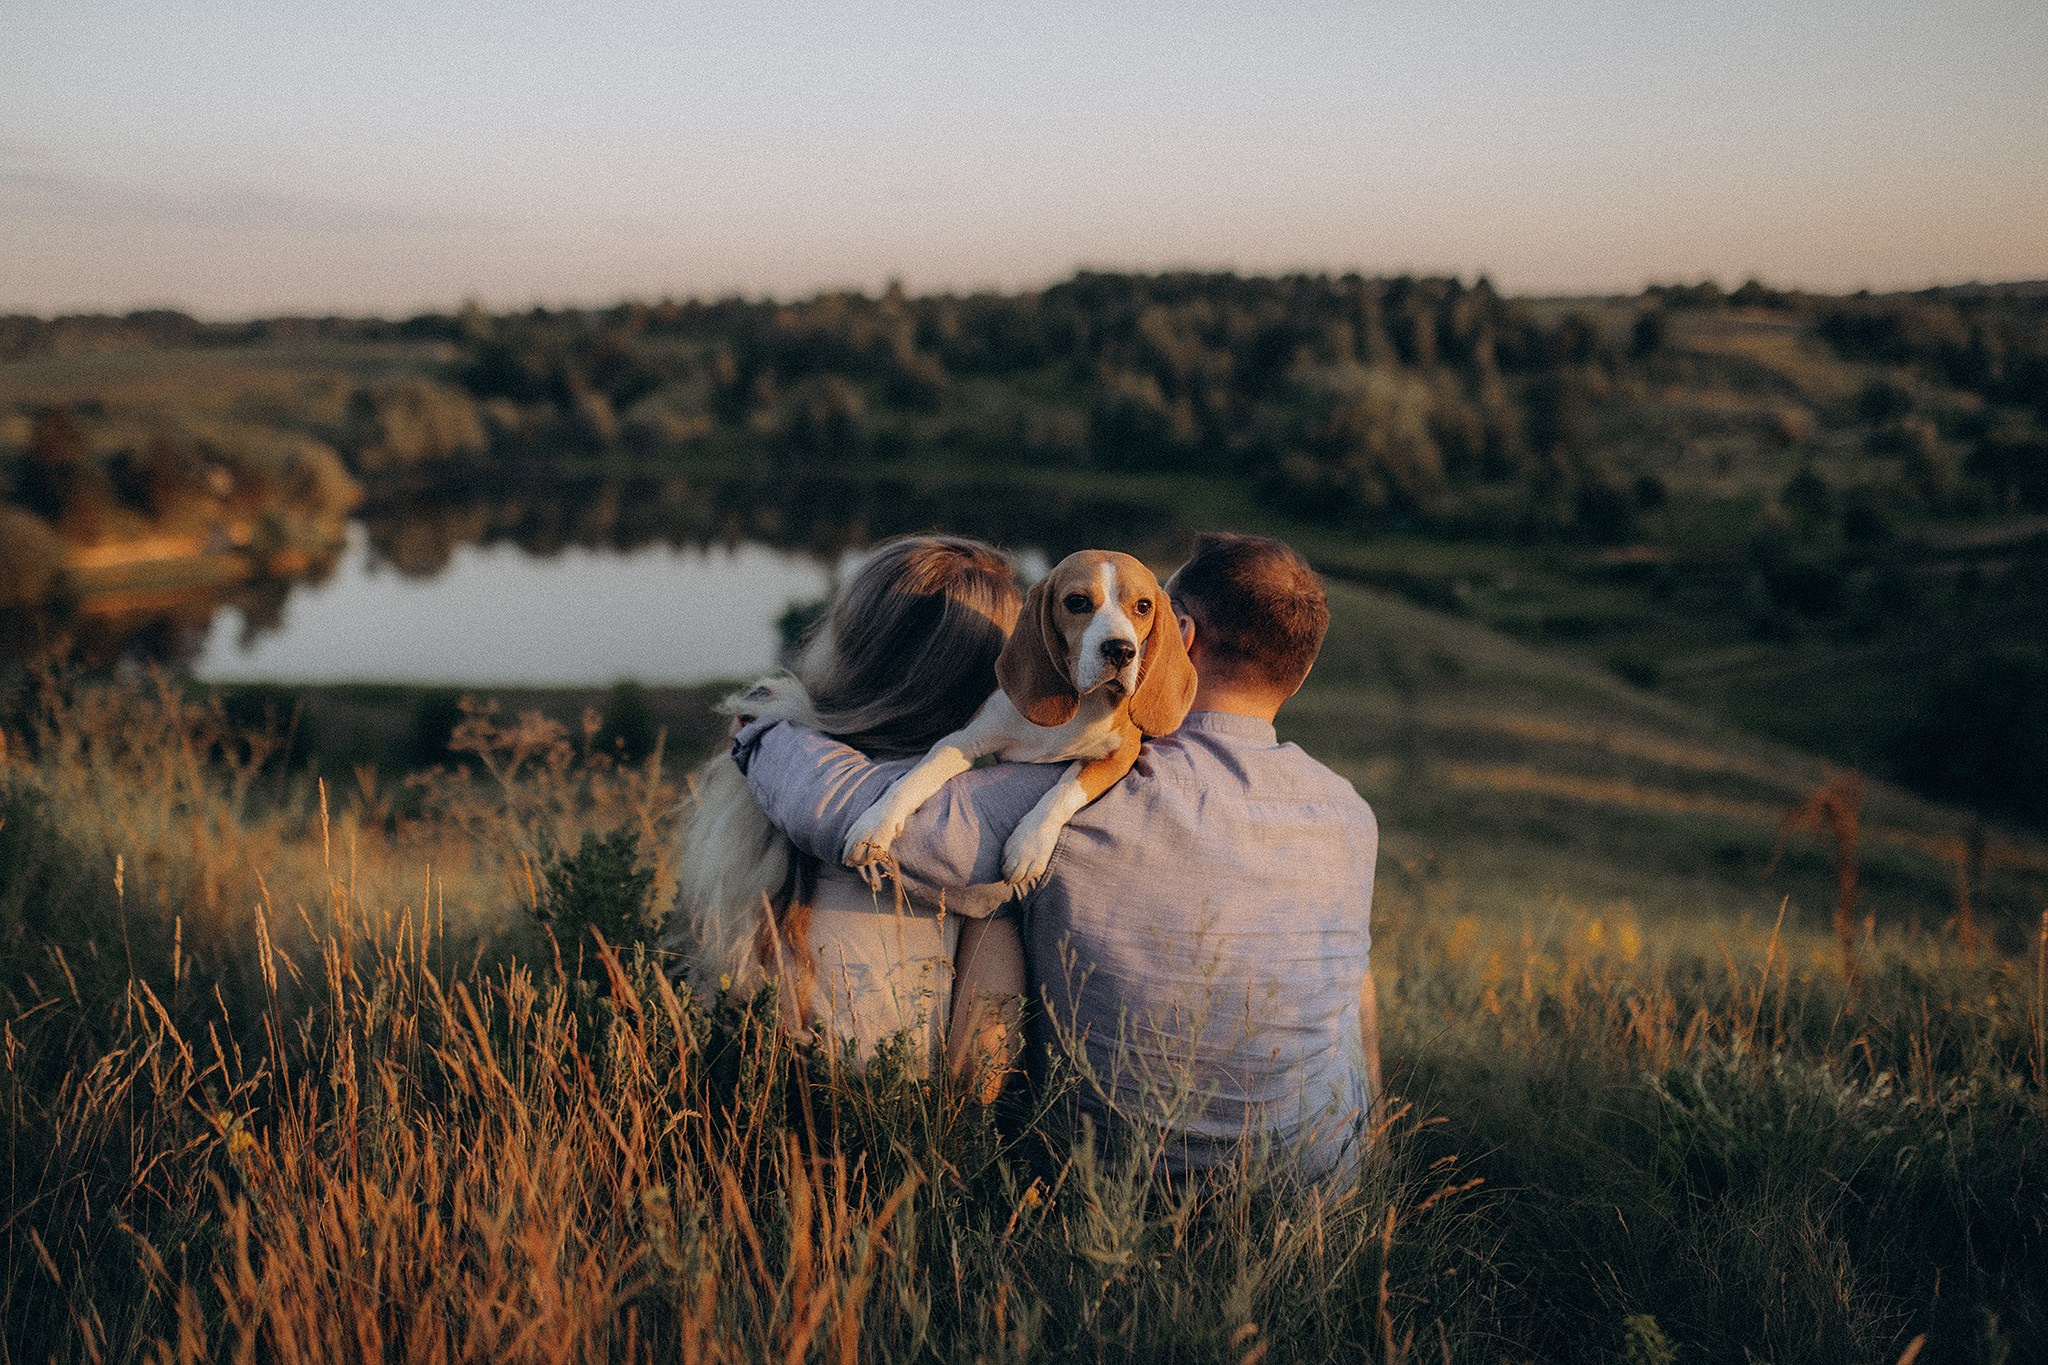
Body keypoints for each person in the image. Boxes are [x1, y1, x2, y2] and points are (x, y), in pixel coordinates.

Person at [734, 532, 1380, 1177]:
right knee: (1349, 972)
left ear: (1179, 636)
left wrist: (766, 728)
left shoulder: (1100, 788)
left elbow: (860, 816)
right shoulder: (1350, 812)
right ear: (1300, 667)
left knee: (995, 904)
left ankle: (948, 1160)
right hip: (1315, 1187)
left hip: (1112, 1189)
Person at [671, 533, 1027, 1076]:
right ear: (991, 679)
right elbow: (981, 1067)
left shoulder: (769, 768)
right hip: (890, 1126)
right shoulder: (983, 838)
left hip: (743, 1102)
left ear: (851, 642)